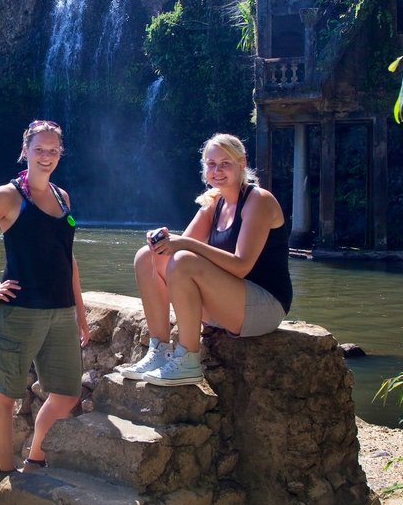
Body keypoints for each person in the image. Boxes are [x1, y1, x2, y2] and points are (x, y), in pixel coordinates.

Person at [0, 120, 89, 481]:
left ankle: (36, 455)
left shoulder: (63, 197)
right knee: (5, 397)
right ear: (25, 150)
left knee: (67, 394)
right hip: (17, 313)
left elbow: (67, 258)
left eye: (53, 151)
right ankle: (6, 473)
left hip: (61, 313)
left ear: (61, 154)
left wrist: (81, 313)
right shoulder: (7, 197)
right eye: (39, 149)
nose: (46, 156)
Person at [117, 132, 292, 386]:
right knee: (147, 256)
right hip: (228, 303)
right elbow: (173, 255)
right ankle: (159, 350)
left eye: (225, 163)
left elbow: (241, 266)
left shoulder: (259, 200)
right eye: (211, 164)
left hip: (264, 306)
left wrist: (184, 244)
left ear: (242, 163)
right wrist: (162, 240)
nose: (217, 170)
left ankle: (188, 359)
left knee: (185, 260)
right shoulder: (214, 203)